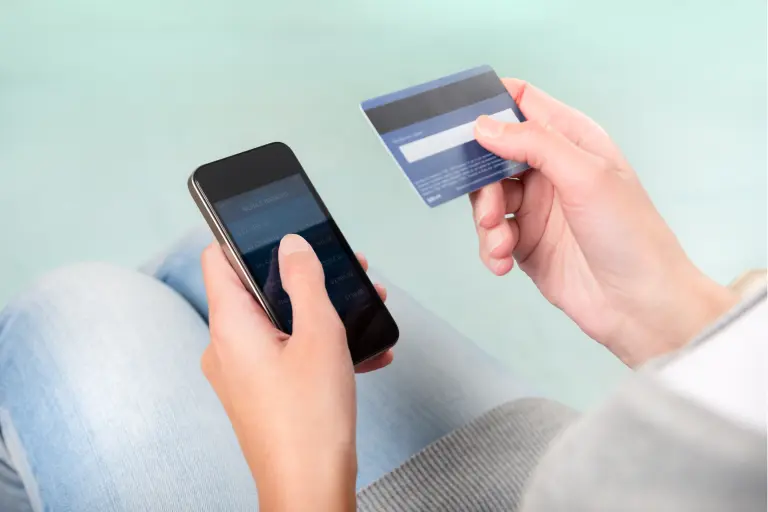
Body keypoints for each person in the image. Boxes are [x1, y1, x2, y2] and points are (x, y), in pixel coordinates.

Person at [0, 79, 763, 511]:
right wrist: (673, 318)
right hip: (602, 467)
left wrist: (303, 472)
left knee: (76, 309)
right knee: (193, 267)